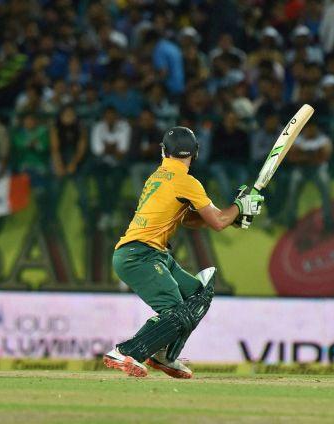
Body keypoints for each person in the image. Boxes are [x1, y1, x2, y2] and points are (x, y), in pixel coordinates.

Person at [103, 127, 264, 379]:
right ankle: (126, 351)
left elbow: (188, 219)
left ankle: (164, 355)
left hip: (148, 254)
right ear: (196, 153)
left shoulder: (157, 176)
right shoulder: (187, 181)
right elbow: (218, 222)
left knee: (197, 296)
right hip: (139, 255)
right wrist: (238, 207)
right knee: (175, 311)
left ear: (163, 150)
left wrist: (234, 216)